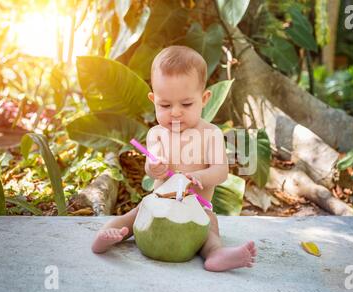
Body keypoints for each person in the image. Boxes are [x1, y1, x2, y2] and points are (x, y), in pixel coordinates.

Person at [91, 45, 256, 272]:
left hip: (196, 208)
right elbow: (152, 167)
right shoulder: (157, 134)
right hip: (158, 205)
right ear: (153, 99)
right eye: (165, 105)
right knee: (132, 216)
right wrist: (155, 168)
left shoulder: (210, 134)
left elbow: (220, 171)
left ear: (204, 98)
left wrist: (198, 176)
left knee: (211, 227)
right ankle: (107, 234)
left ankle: (215, 254)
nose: (175, 112)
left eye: (186, 104)